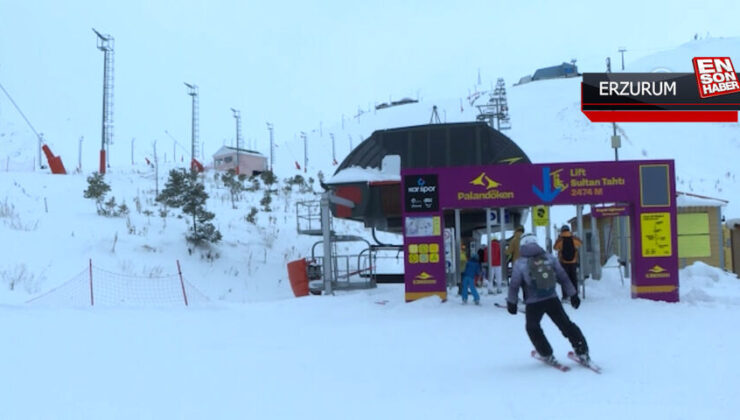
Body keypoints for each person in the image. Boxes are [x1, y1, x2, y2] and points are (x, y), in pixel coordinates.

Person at [506, 234, 590, 364]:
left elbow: (514, 285)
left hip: (533, 303)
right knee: (566, 324)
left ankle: (546, 353)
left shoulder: (520, 263)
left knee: (532, 327)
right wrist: (573, 295)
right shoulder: (549, 258)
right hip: (552, 299)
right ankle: (582, 351)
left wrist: (512, 303)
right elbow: (563, 277)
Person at [554, 225, 583, 300]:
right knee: (574, 278)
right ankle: (575, 295)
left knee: (565, 279)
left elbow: (555, 247)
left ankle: (565, 296)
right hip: (573, 262)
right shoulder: (573, 238)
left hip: (563, 262)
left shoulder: (560, 240)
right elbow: (580, 243)